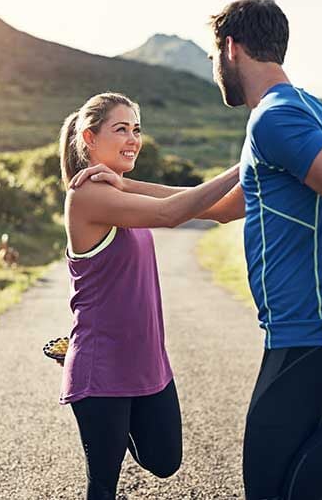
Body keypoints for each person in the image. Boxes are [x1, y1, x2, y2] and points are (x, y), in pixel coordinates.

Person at [71, 1, 322, 499]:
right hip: (319, 327)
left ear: (231, 48)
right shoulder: (306, 111)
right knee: (299, 486)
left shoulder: (275, 121)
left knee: (272, 489)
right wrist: (124, 188)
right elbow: (219, 208)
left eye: (215, 56)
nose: (215, 68)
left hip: (310, 331)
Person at [57, 92, 240, 500]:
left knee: (164, 460)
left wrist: (284, 177)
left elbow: (222, 210)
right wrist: (243, 163)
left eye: (136, 129)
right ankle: (82, 367)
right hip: (102, 366)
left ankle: (104, 409)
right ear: (89, 137)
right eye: (120, 129)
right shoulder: (87, 195)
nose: (133, 139)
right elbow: (170, 214)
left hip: (146, 360)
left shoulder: (119, 187)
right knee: (103, 485)